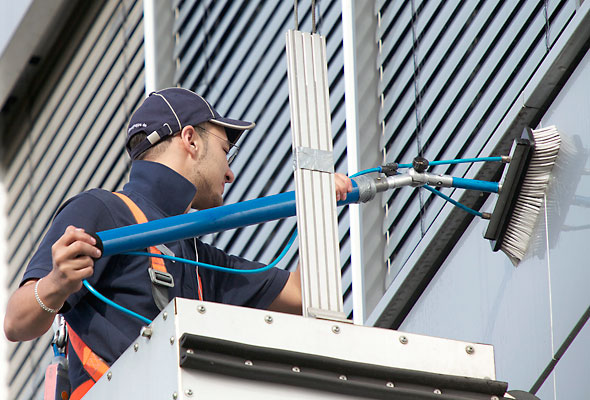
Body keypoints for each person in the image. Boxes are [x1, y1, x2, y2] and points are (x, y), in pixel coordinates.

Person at [3, 87, 353, 397]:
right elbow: (16, 322)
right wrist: (55, 284)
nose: (230, 172)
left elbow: (304, 293)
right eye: (225, 149)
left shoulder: (198, 259)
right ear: (190, 139)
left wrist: (318, 207)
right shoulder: (105, 211)